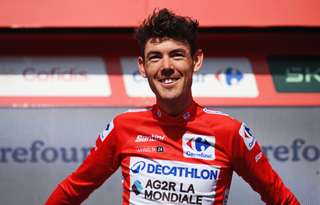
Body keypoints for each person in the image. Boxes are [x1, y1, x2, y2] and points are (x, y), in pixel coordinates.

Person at [46, 8, 300, 205]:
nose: (166, 66)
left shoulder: (230, 132)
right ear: (143, 67)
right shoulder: (122, 127)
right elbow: (71, 192)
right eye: (155, 57)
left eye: (177, 54)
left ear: (196, 61)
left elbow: (281, 199)